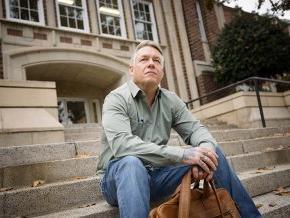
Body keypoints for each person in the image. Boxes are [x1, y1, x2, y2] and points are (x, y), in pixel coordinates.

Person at [97, 40, 261, 218]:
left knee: (213, 155)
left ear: (162, 72)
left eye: (157, 60)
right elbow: (122, 145)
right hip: (118, 179)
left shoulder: (171, 100)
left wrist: (205, 151)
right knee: (131, 162)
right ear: (131, 69)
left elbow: (196, 129)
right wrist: (184, 155)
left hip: (158, 175)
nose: (151, 63)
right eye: (144, 59)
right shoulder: (116, 98)